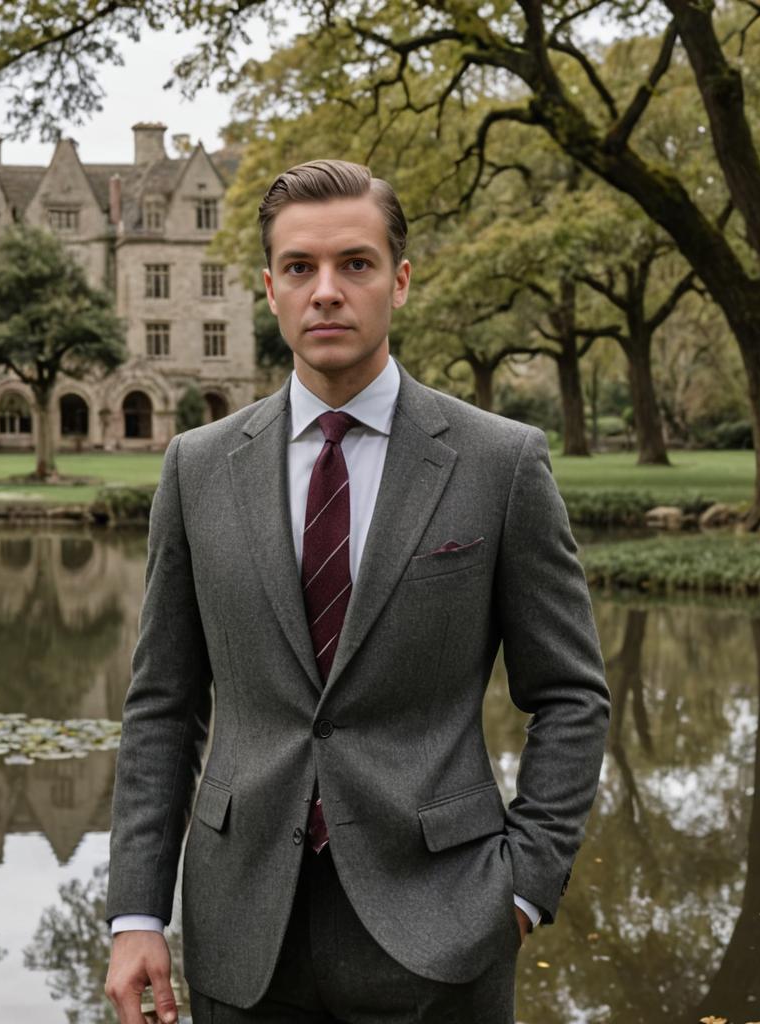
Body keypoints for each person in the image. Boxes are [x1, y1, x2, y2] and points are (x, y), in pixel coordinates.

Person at [104, 159, 610, 1024]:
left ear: (400, 281)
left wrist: (523, 888)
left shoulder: (501, 463)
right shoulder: (195, 468)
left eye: (356, 265)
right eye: (301, 268)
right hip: (240, 932)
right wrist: (136, 913)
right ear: (269, 288)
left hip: (446, 920)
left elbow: (569, 695)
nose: (326, 291)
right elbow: (163, 706)